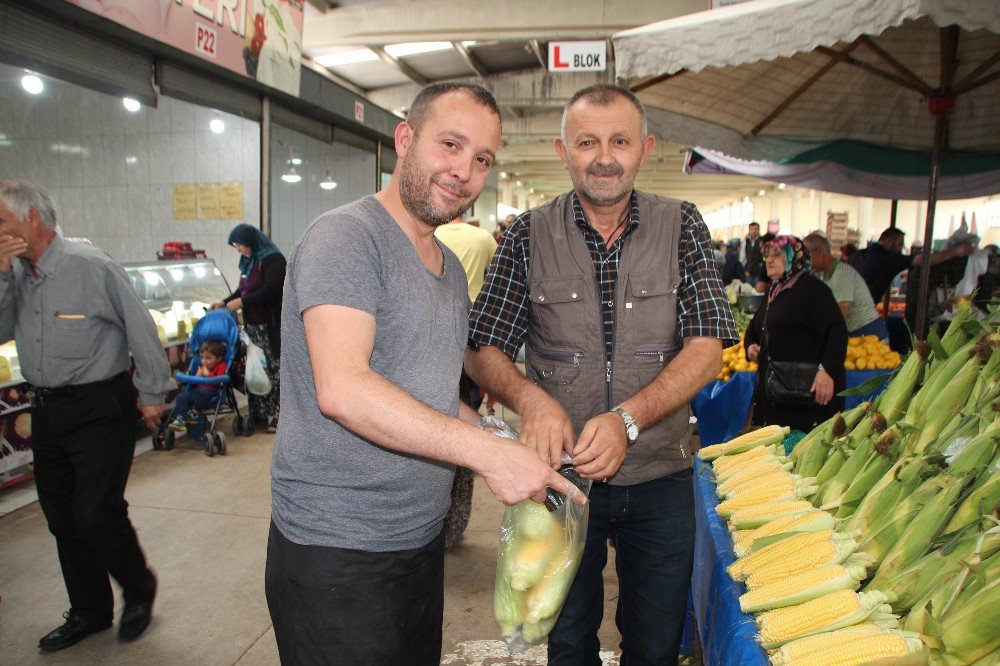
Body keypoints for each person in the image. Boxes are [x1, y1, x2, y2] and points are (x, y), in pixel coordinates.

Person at [264, 82, 583, 665]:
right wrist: (486, 456)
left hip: (416, 541)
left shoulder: (448, 270)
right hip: (337, 550)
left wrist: (500, 439)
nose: (463, 170)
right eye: (450, 144)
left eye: (481, 158)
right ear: (405, 140)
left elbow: (428, 393)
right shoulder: (348, 237)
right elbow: (344, 389)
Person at [466, 84, 738, 665]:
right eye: (587, 142)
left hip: (660, 475)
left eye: (620, 140)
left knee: (655, 645)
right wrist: (530, 400)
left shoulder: (681, 225)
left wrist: (628, 420)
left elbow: (707, 348)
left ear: (646, 148)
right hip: (560, 482)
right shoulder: (526, 234)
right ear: (564, 151)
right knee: (565, 643)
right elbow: (482, 348)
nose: (604, 156)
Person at [0, 180, 174, 651]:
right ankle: (90, 611)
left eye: (2, 221)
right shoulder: (14, 274)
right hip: (47, 409)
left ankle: (139, 589)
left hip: (100, 406)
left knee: (96, 510)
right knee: (62, 516)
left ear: (31, 218)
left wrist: (152, 391)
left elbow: (140, 326)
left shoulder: (90, 266)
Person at [434, 213, 499, 549]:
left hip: (450, 339)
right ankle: (453, 523)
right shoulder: (483, 240)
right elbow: (494, 280)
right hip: (467, 332)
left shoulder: (435, 241)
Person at [745, 236, 847, 433]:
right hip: (777, 392)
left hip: (805, 397)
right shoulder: (775, 290)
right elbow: (755, 327)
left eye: (777, 255)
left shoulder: (814, 290)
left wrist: (826, 370)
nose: (769, 260)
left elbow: (837, 331)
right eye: (767, 255)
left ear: (795, 257)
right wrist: (750, 345)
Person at [211, 224, 285, 433]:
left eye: (240, 245)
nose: (239, 250)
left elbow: (271, 291)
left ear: (251, 242)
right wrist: (224, 302)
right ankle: (259, 412)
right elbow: (242, 289)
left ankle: (276, 415)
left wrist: (243, 302)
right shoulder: (249, 261)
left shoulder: (273, 260)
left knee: (272, 368)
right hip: (252, 327)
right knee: (255, 369)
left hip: (270, 326)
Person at [850, 227, 973, 302]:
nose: (901, 248)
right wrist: (955, 251)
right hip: (860, 312)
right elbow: (921, 260)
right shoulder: (888, 258)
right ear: (888, 241)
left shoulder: (859, 254)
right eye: (899, 244)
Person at [803, 233, 887, 339]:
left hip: (867, 332)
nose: (805, 261)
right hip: (856, 331)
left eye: (807, 256)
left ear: (819, 253)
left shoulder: (841, 274)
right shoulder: (826, 275)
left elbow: (841, 313)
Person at [168, 339, 228, 431]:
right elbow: (195, 381)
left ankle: (194, 414)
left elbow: (219, 379)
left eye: (208, 358)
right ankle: (180, 419)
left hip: (213, 392)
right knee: (182, 397)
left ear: (218, 359)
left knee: (204, 392)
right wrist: (198, 375)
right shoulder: (202, 367)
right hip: (198, 391)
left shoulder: (221, 366)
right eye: (202, 358)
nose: (204, 361)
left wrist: (208, 375)